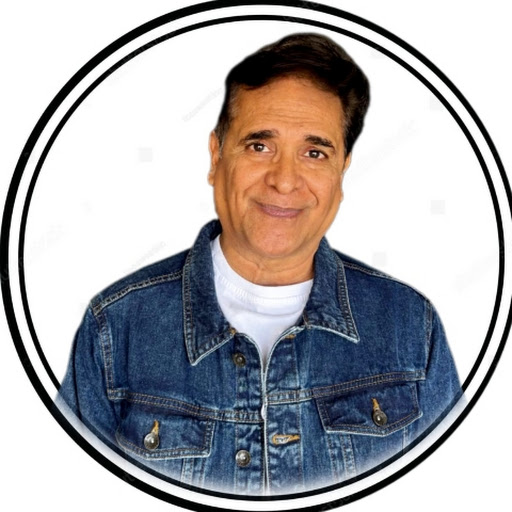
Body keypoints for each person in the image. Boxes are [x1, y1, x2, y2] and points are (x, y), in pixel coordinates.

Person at [58, 33, 461, 496]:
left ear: (341, 171)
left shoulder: (410, 325)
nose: (284, 181)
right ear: (216, 157)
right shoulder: (115, 327)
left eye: (314, 153)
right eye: (259, 146)